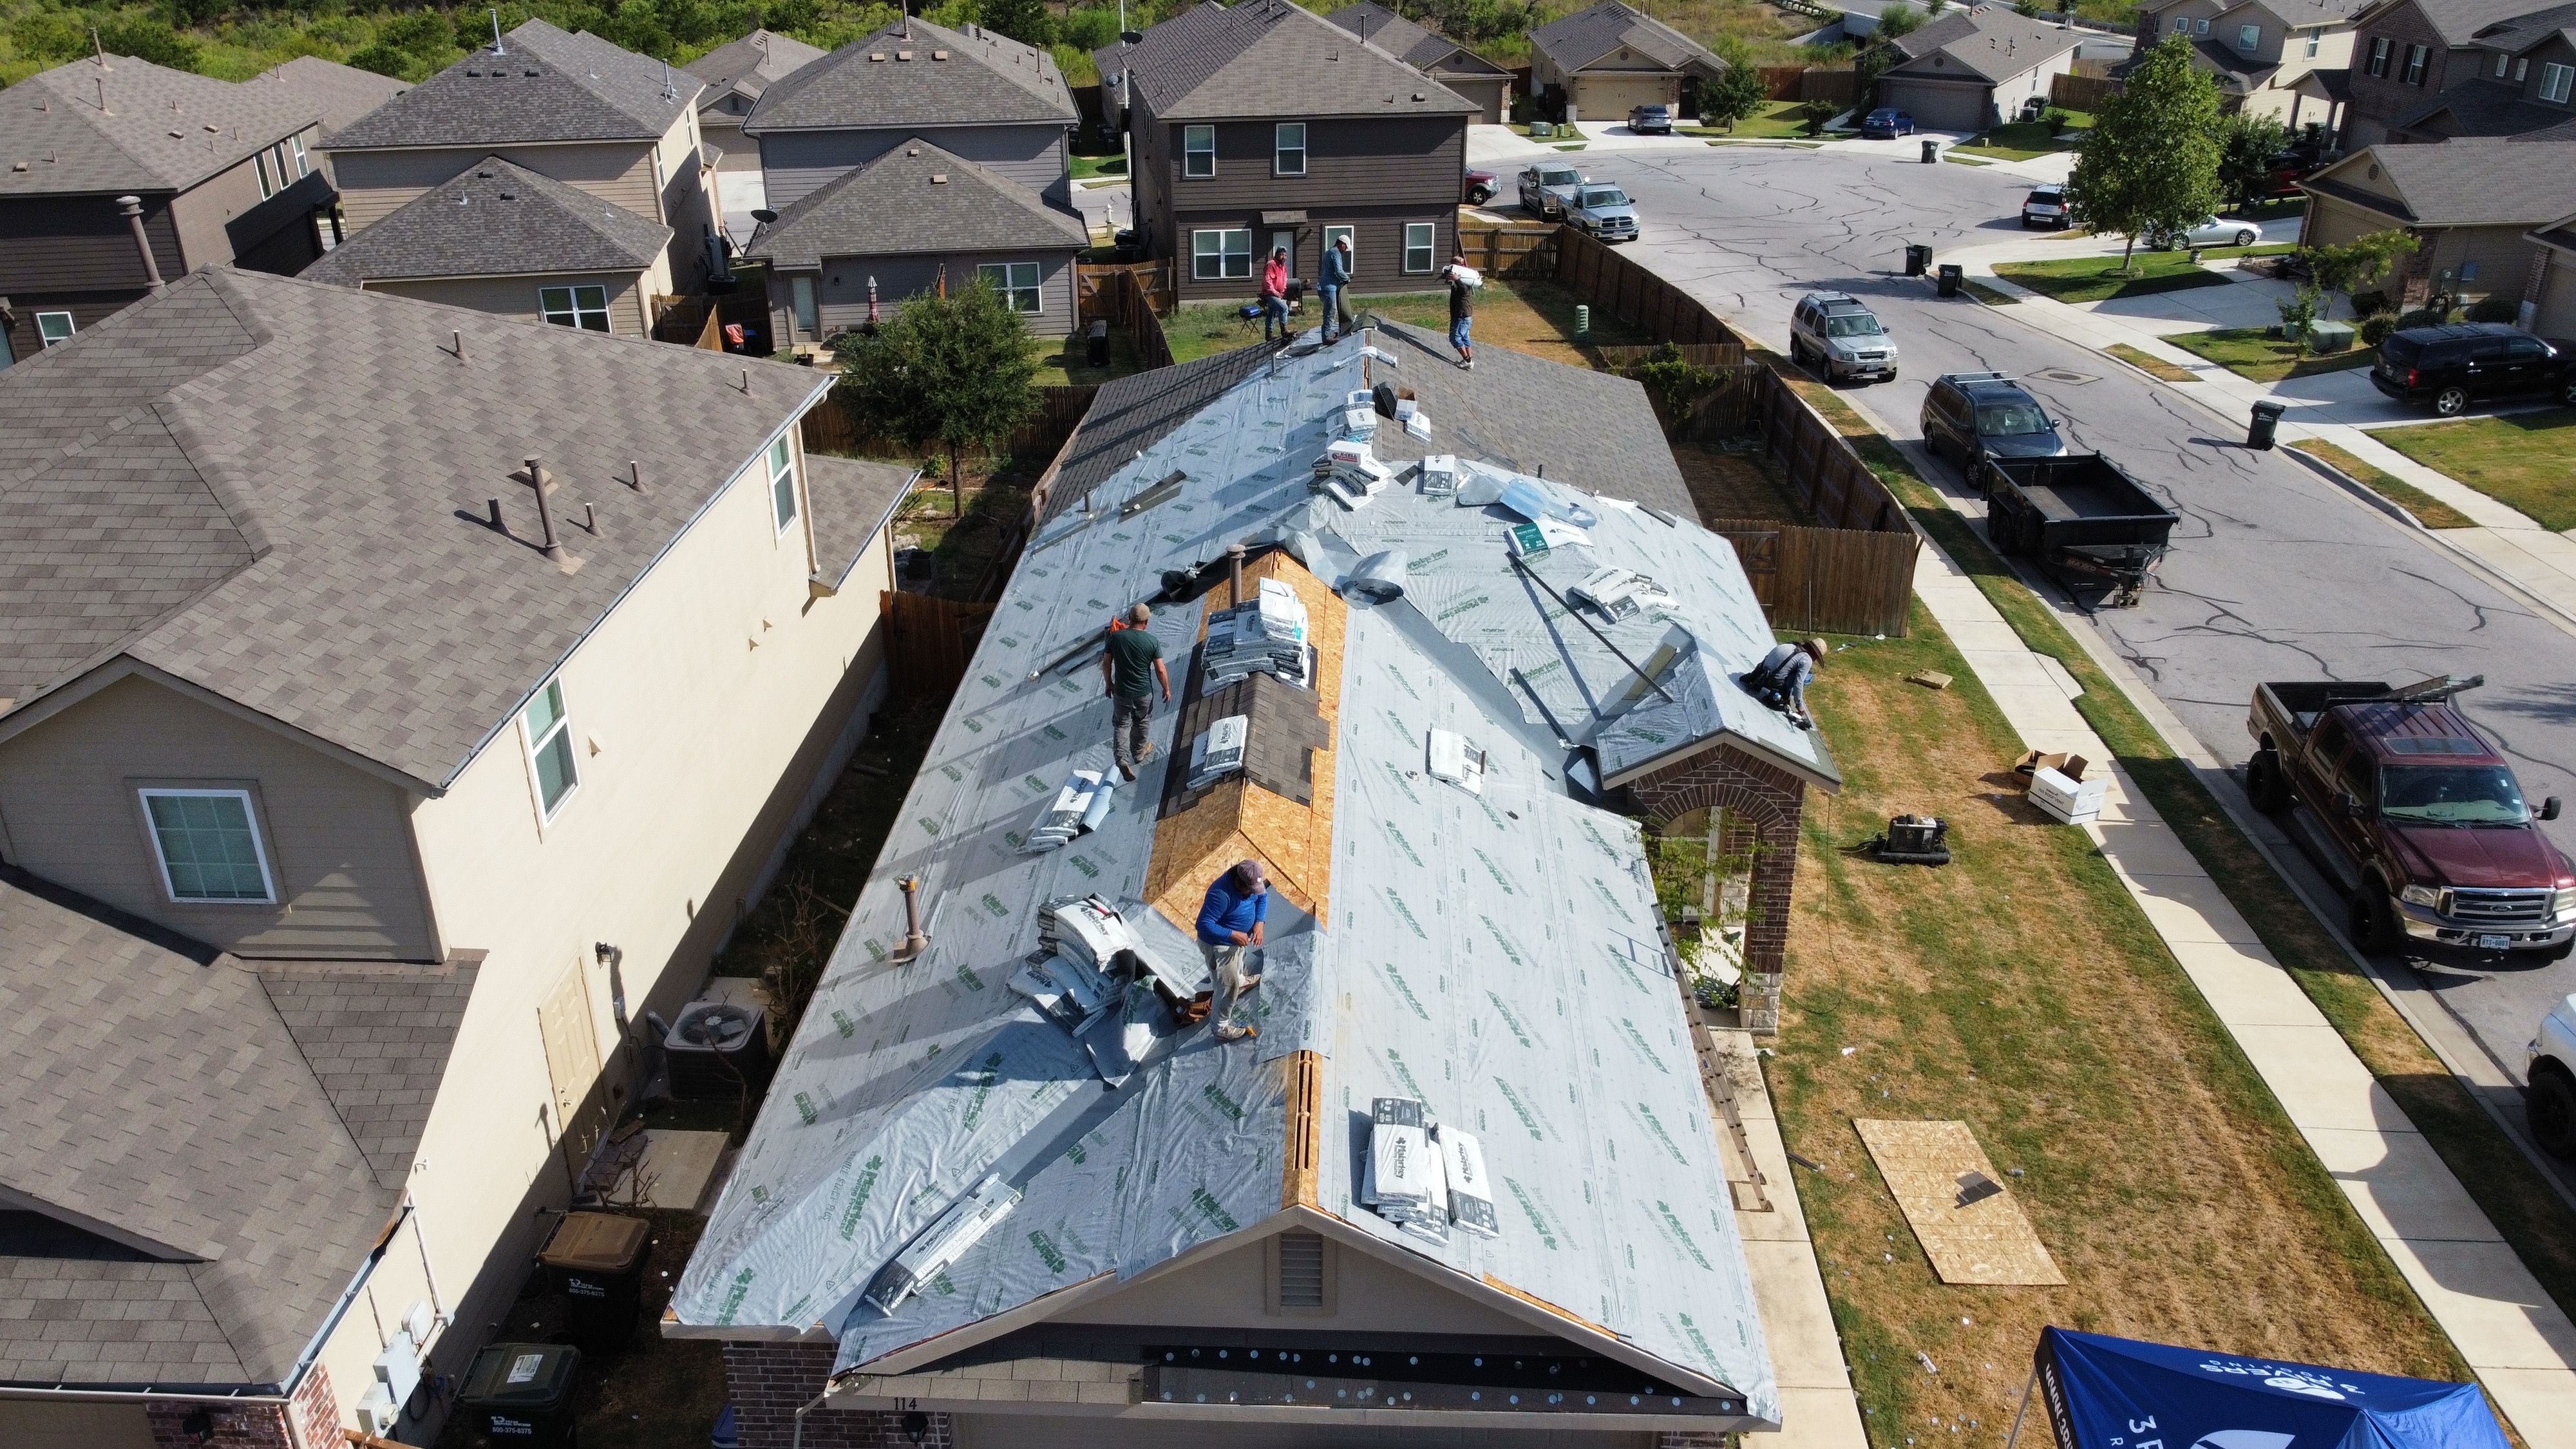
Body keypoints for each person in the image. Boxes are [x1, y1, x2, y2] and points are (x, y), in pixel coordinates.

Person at [1195, 859, 1268, 1041]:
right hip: (1218, 946)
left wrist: (1259, 922)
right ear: (1238, 882)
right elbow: (1203, 925)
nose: (1253, 894)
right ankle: (1220, 1027)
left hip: (1236, 942)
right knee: (1227, 987)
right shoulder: (1220, 894)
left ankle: (1241, 981)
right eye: (1250, 891)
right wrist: (1231, 934)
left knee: (1239, 963)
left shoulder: (1252, 885)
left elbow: (1263, 897)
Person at [1099, 603, 1171, 779]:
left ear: (1130, 619)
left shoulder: (1115, 638)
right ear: (1146, 622)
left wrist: (1109, 684)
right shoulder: (1151, 641)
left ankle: (1122, 760)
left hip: (1122, 692)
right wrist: (1166, 689)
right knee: (1142, 721)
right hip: (1143, 693)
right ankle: (1138, 754)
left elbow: (1107, 663)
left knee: (1122, 725)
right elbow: (1161, 669)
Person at [1745, 639, 1826, 728]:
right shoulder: (1807, 659)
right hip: (1773, 682)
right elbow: (1798, 683)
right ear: (1815, 654)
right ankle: (1779, 697)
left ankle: (1758, 683)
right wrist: (1800, 706)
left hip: (1760, 673)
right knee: (1809, 676)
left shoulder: (1791, 645)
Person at [1443, 254, 1477, 370]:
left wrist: (1457, 279)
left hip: (1461, 314)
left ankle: (1467, 361)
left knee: (1455, 338)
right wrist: (1453, 279)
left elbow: (1464, 291)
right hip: (1464, 314)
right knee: (1465, 337)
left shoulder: (1464, 279)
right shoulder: (1459, 279)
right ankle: (1469, 360)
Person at [1318, 235, 1353, 343]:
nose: (1346, 250)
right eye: (1346, 248)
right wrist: (1347, 279)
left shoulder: (1330, 251)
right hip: (1329, 288)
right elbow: (1339, 270)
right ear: (1342, 244)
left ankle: (1328, 334)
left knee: (1331, 311)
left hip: (1325, 286)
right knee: (1331, 311)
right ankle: (1326, 337)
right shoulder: (1336, 253)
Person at [1259, 247, 1291, 343]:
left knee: (1271, 313)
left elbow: (1285, 279)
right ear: (1276, 255)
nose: (1283, 257)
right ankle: (1284, 330)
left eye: (1285, 255)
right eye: (1281, 255)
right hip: (1269, 293)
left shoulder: (1283, 266)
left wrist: (1283, 290)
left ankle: (1269, 334)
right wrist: (1275, 292)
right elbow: (1268, 280)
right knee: (1284, 308)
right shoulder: (1271, 264)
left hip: (1278, 293)